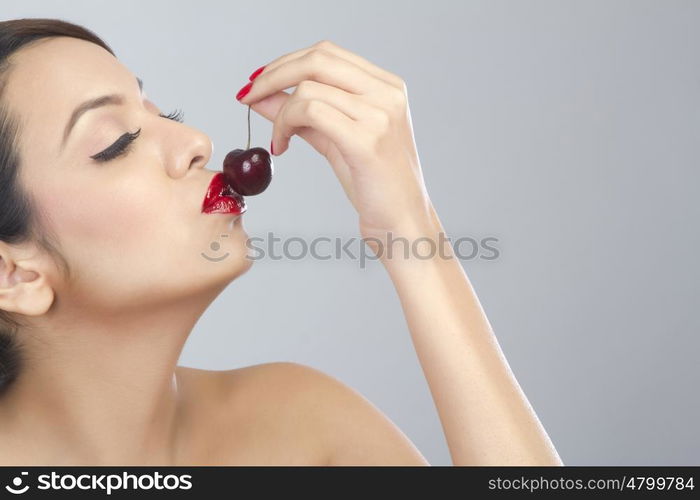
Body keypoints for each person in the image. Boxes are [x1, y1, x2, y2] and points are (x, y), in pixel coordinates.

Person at [0, 18, 563, 466]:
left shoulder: (305, 430)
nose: (196, 141)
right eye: (117, 142)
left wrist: (410, 229)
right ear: (15, 275)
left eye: (162, 113)